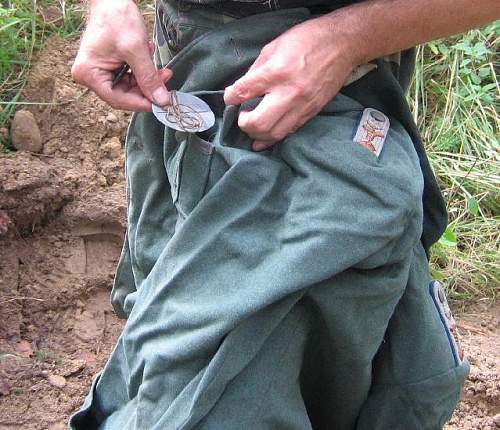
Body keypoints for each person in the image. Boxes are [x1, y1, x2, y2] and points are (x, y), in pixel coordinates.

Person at [69, 0, 499, 429]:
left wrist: (348, 38)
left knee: (224, 392)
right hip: (181, 81)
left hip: (324, 114)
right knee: (167, 337)